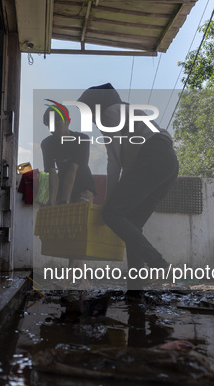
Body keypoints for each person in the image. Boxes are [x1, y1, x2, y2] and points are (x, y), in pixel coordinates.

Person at [77, 84, 179, 289]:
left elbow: (114, 162)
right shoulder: (128, 111)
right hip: (168, 161)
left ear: (95, 106)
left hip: (153, 156)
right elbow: (130, 167)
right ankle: (136, 284)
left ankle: (158, 264)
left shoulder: (109, 114)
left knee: (112, 214)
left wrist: (108, 203)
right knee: (133, 222)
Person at [41, 105, 97, 288]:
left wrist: (64, 202)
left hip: (83, 188)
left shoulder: (82, 139)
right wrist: (53, 201)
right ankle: (84, 282)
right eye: (50, 127)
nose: (54, 130)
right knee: (72, 235)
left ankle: (66, 280)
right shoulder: (47, 144)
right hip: (65, 186)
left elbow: (73, 170)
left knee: (77, 233)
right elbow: (52, 174)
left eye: (57, 125)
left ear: (67, 122)